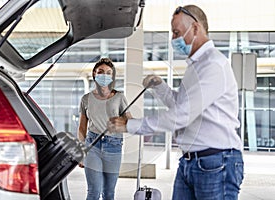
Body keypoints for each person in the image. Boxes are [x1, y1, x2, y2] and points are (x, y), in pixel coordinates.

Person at [108, 5, 244, 200]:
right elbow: (181, 105)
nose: (173, 39)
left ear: (195, 28)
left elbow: (182, 115)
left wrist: (131, 125)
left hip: (215, 163)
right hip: (191, 162)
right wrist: (160, 87)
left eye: (176, 32)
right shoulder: (195, 67)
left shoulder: (213, 64)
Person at [77, 58, 132, 200]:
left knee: (108, 193)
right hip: (92, 145)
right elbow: (82, 127)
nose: (104, 75)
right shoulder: (86, 99)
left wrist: (123, 122)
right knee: (93, 191)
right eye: (101, 72)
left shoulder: (119, 97)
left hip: (113, 146)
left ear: (112, 76)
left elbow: (130, 121)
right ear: (94, 74)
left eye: (108, 72)